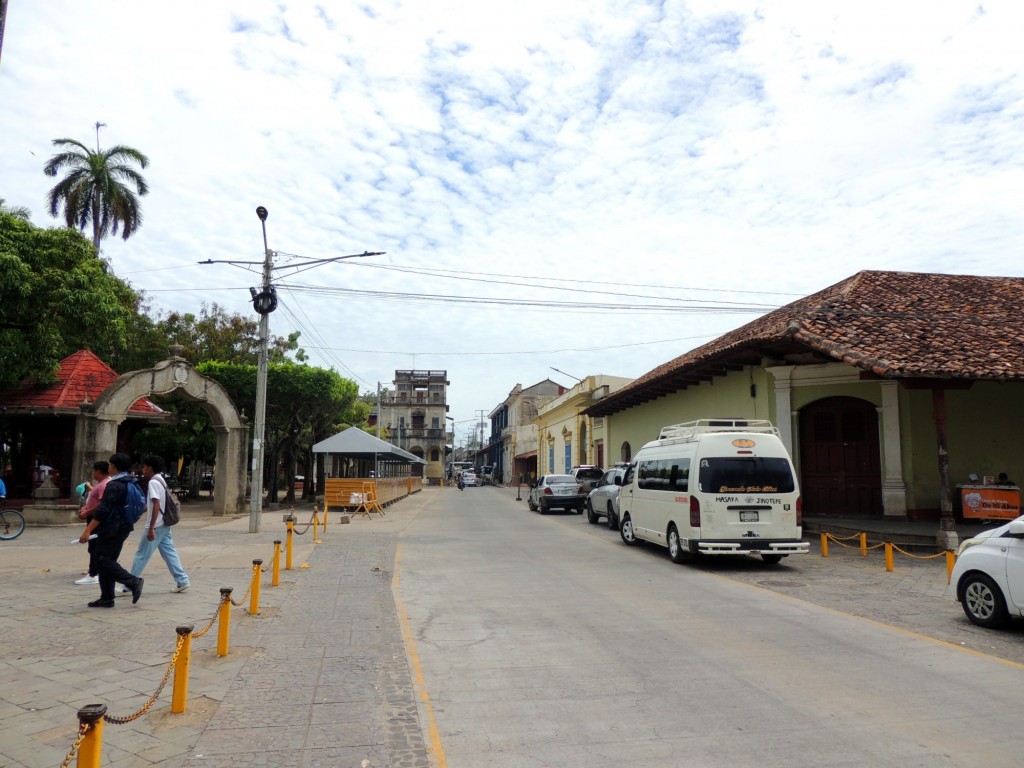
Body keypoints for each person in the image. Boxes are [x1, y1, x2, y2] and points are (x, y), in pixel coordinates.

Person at [78, 453, 143, 608]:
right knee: (107, 560)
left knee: (101, 559)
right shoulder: (131, 481)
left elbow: (103, 510)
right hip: (124, 526)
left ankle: (133, 581)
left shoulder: (114, 485)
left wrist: (88, 530)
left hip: (112, 528)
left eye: (110, 464)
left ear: (113, 466)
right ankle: (107, 597)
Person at [129, 454, 190, 593]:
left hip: (156, 525)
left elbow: (156, 504)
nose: (143, 469)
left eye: (144, 466)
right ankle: (182, 580)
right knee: (169, 552)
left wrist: (151, 527)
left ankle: (129, 584)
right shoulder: (161, 480)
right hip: (164, 523)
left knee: (142, 554)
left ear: (150, 468)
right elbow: (155, 504)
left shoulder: (153, 482)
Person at [74, 461, 110, 586]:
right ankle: (94, 570)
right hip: (92, 515)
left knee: (94, 545)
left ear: (99, 471)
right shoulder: (101, 484)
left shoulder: (103, 485)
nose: (93, 473)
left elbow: (102, 503)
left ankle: (94, 573)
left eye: (94, 470)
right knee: (94, 545)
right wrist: (86, 507)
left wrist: (88, 511)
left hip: (96, 518)